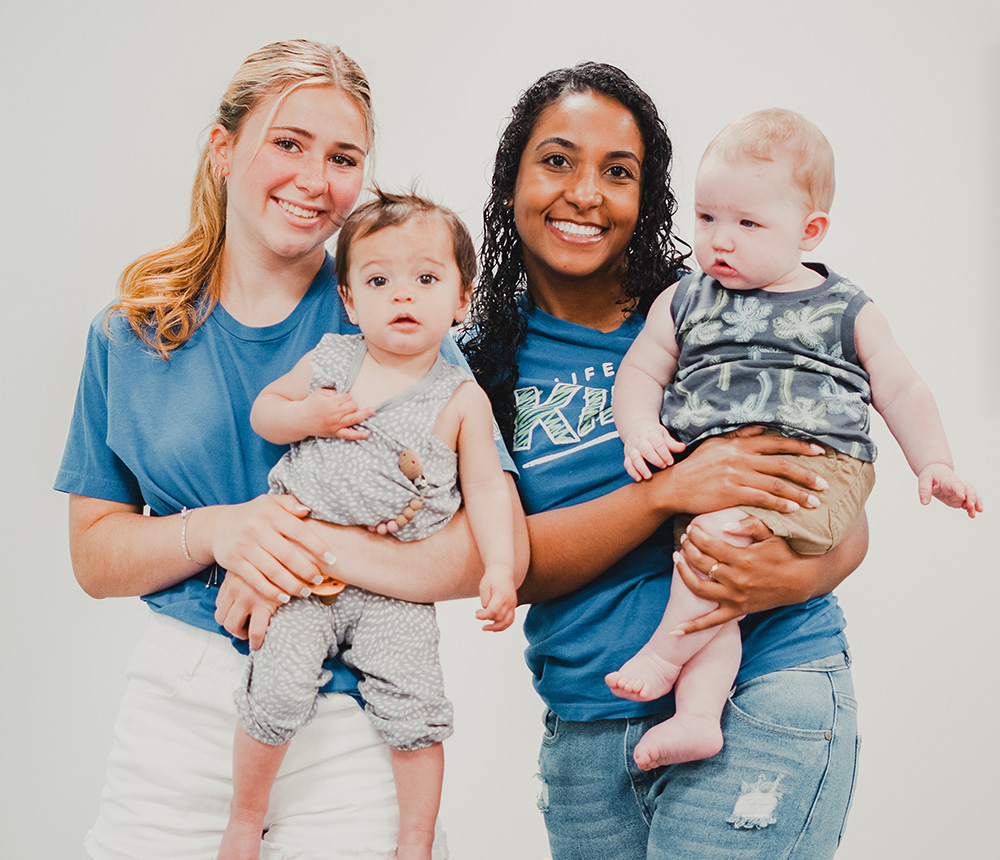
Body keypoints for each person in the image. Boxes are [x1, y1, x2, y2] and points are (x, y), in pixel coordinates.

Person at [55, 40, 522, 860]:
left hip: (356, 711)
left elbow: (474, 542)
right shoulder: (129, 334)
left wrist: (305, 546)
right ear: (223, 147)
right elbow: (95, 557)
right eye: (288, 142)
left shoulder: (395, 309)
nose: (315, 178)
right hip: (181, 705)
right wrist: (220, 532)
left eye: (343, 157)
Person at [463, 64, 869, 859]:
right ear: (511, 179)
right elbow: (502, 568)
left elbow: (840, 506)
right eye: (557, 160)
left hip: (763, 686)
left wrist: (798, 576)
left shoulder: (718, 308)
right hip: (587, 728)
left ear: (647, 199)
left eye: (619, 172)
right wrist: (665, 495)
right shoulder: (473, 365)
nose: (586, 192)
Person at [607, 108, 982, 769]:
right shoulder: (686, 299)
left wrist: (936, 462)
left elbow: (901, 389)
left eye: (748, 224)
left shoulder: (846, 307)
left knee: (716, 550)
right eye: (706, 218)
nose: (720, 240)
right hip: (712, 480)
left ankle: (665, 655)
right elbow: (642, 368)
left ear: (810, 231)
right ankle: (697, 717)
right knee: (710, 572)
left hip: (812, 468)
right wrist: (638, 425)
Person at [219, 191, 518, 860]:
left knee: (417, 710)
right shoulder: (334, 360)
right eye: (379, 281)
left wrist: (500, 567)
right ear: (352, 301)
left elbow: (489, 492)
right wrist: (307, 418)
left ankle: (414, 842)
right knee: (277, 688)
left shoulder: (462, 397)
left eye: (426, 279)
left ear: (462, 299)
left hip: (395, 591)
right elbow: (265, 412)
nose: (402, 296)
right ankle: (244, 818)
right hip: (302, 573)